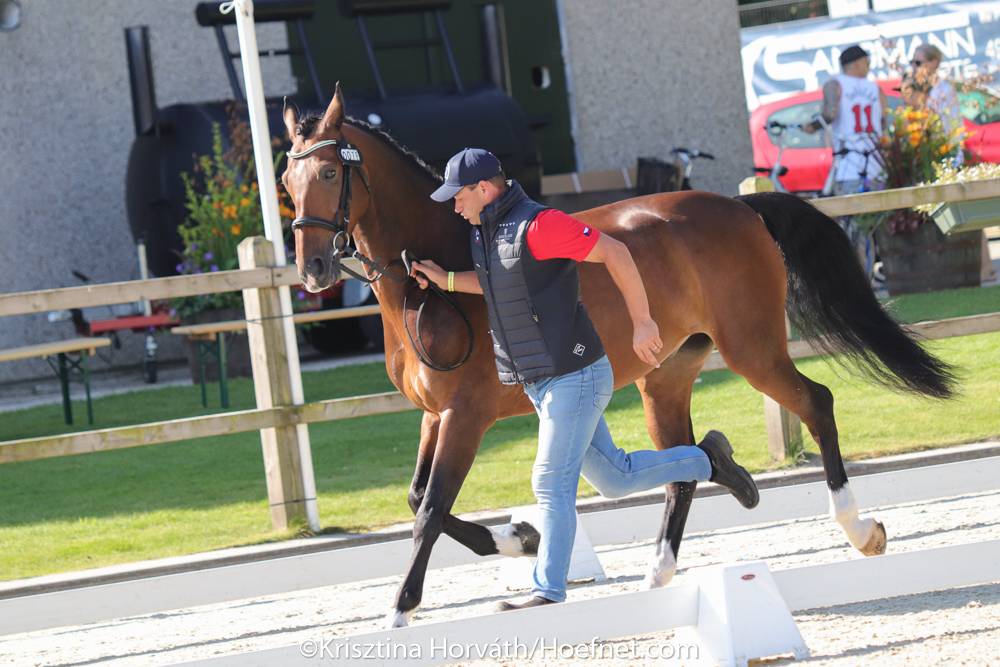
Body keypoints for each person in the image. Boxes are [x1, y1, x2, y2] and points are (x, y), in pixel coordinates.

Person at [410, 147, 759, 610]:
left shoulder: (541, 225)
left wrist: (643, 322)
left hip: (575, 375)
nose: (454, 205)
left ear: (485, 189)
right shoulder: (488, 231)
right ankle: (708, 460)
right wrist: (447, 281)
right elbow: (498, 285)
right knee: (616, 478)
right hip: (541, 382)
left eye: (459, 195)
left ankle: (547, 592)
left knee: (550, 482)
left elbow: (615, 251)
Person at [808, 45, 887, 194]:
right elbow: (883, 123)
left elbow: (829, 115)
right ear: (857, 63)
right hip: (877, 166)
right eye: (867, 62)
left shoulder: (835, 84)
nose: (868, 67)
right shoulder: (876, 89)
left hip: (848, 166)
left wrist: (810, 127)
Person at [908, 44, 964, 164]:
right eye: (912, 62)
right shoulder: (913, 89)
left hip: (946, 153)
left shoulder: (945, 90)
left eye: (918, 63)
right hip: (922, 154)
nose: (914, 67)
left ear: (934, 63)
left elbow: (947, 123)